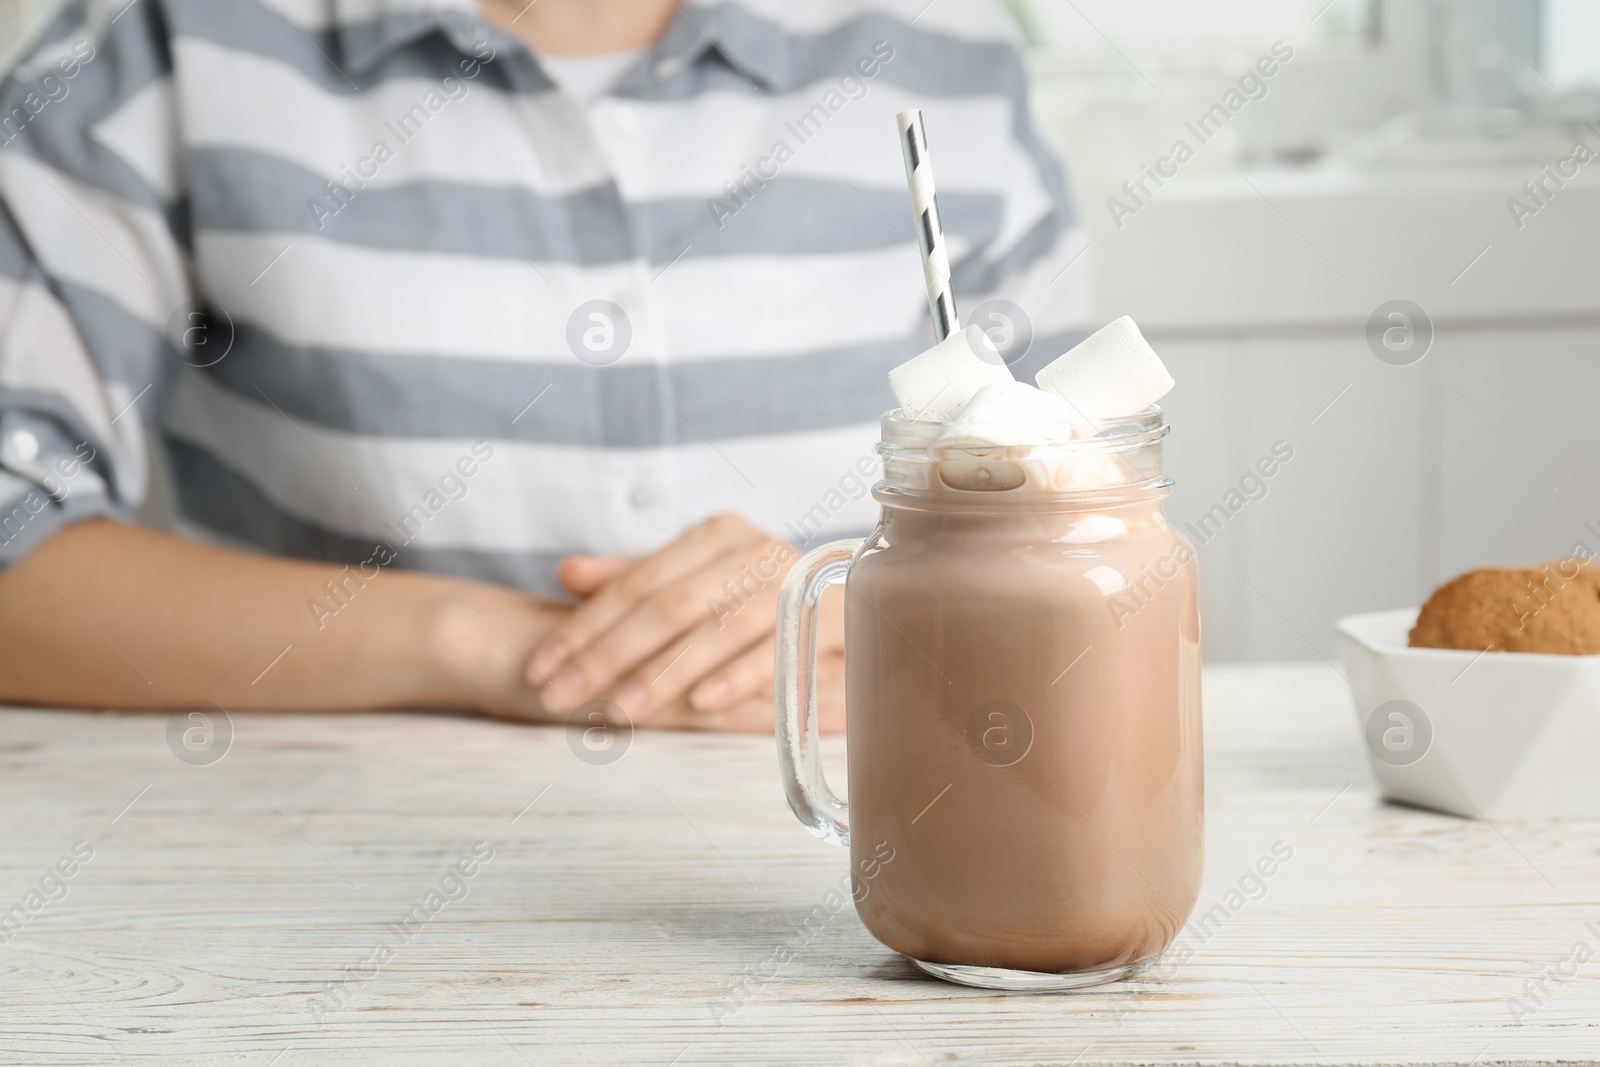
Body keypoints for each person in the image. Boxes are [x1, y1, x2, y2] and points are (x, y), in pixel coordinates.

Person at [0, 0, 1086, 730]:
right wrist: (494, 645)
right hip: (320, 871)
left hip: (866, 854)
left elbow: (1101, 530)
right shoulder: (166, 37)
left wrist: (898, 607)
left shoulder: (947, 45)